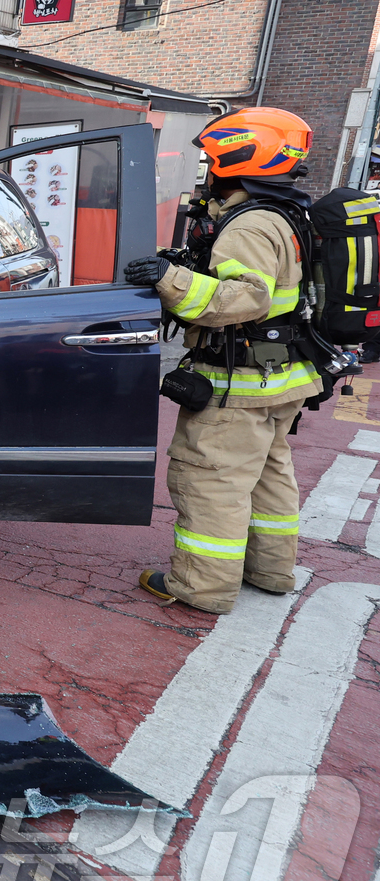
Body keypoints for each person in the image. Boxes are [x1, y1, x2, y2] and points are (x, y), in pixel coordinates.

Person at [127, 107, 317, 613]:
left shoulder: (248, 224)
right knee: (270, 477)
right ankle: (271, 572)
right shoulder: (287, 213)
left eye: (211, 159)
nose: (207, 170)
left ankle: (201, 587)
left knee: (211, 480)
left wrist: (168, 281)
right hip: (281, 375)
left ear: (237, 157)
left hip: (239, 382)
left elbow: (245, 298)